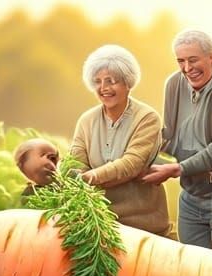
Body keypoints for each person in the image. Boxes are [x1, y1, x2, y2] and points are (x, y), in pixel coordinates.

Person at [143, 29, 212, 260]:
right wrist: (140, 157)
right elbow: (169, 138)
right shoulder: (174, 85)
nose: (187, 68)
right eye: (181, 61)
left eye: (193, 60)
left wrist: (177, 169)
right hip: (192, 200)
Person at [69, 44, 173, 236]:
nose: (104, 88)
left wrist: (87, 178)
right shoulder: (87, 120)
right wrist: (73, 177)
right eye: (98, 81)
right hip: (99, 223)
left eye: (111, 81)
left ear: (127, 83)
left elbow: (131, 164)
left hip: (144, 227)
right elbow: (74, 163)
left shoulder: (147, 117)